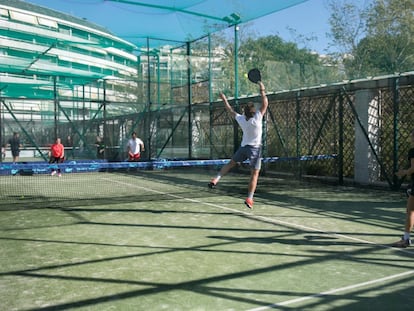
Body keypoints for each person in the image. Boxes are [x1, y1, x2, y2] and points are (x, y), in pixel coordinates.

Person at [208, 81, 268, 209]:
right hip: (255, 150)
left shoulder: (241, 119)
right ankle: (250, 198)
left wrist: (224, 99)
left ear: (245, 111)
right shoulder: (257, 118)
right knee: (254, 174)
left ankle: (216, 179)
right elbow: (265, 103)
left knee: (230, 164)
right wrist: (262, 89)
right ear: (253, 111)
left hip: (243, 148)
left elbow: (229, 110)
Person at [392, 129, 414, 248]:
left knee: (410, 211)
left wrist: (404, 172)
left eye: (412, 136)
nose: (411, 138)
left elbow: (413, 168)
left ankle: (406, 239)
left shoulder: (413, 151)